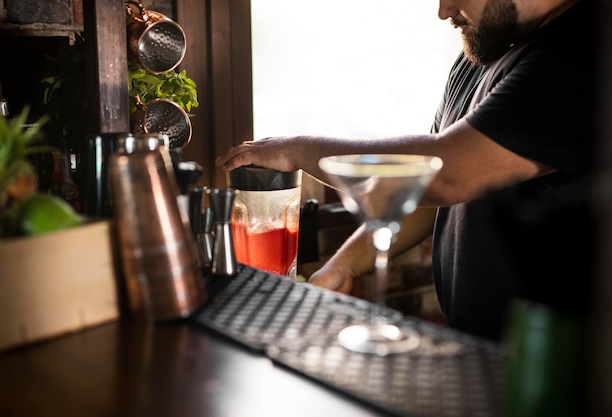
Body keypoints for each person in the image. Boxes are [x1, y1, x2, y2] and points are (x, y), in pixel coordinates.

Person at [216, 0, 599, 342]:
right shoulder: (484, 53)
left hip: (556, 363)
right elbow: (419, 190)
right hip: (480, 350)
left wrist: (296, 151)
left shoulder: (584, 50)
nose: (443, 10)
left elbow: (447, 175)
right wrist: (345, 264)